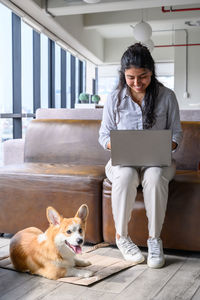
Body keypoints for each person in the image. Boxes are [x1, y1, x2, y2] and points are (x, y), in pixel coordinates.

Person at [99, 43, 183, 269]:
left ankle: (154, 240)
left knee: (155, 176)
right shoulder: (114, 98)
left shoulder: (167, 96)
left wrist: (167, 144)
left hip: (157, 161)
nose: (137, 83)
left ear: (151, 72)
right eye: (130, 77)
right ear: (123, 75)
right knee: (125, 175)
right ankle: (122, 238)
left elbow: (176, 133)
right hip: (123, 161)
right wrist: (115, 145)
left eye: (143, 77)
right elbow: (103, 135)